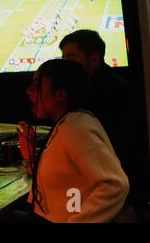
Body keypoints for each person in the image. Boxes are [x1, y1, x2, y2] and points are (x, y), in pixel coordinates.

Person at [17, 59, 129, 222]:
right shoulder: (67, 123)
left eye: (37, 86)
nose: (29, 91)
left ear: (60, 95)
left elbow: (115, 185)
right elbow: (65, 178)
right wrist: (32, 158)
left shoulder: (76, 129)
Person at [59, 29, 146, 219]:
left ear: (94, 59)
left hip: (117, 196)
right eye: (63, 58)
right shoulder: (89, 88)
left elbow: (115, 152)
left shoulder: (110, 92)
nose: (65, 66)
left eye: (71, 58)